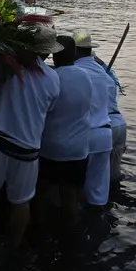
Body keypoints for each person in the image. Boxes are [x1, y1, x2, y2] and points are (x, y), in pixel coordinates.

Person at [0, 26, 61, 251]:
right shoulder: (53, 79)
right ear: (47, 52)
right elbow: (48, 110)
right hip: (29, 149)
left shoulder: (8, 67)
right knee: (21, 201)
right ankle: (14, 246)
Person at [33, 35, 94, 230]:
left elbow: (42, 111)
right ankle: (71, 237)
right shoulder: (86, 76)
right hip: (78, 149)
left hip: (51, 147)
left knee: (41, 192)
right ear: (75, 54)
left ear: (54, 54)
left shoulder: (52, 78)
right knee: (69, 196)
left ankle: (38, 231)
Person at [74, 32, 125, 187]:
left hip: (104, 126)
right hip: (120, 124)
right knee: (112, 176)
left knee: (92, 177)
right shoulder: (107, 75)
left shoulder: (81, 73)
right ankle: (113, 198)